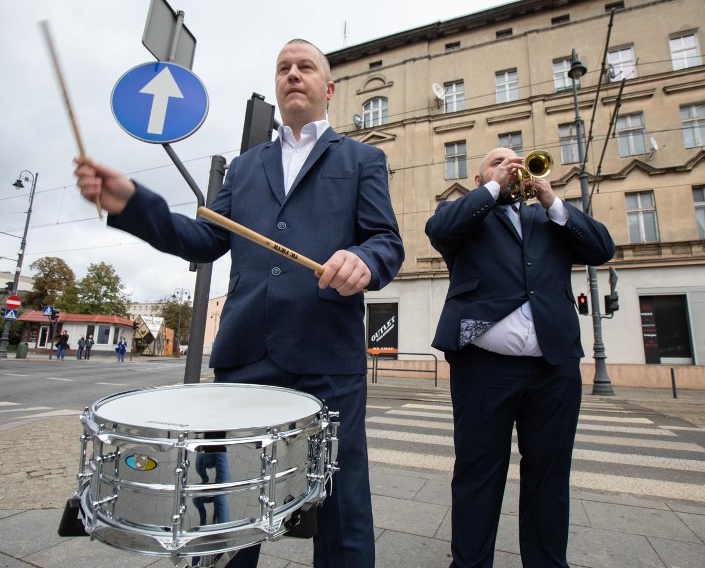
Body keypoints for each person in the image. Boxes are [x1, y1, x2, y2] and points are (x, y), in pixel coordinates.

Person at [74, 38, 404, 568]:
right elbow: (205, 240)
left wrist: (365, 261)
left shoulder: (363, 158)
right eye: (283, 68)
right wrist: (134, 204)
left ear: (329, 88)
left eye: (305, 67)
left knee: (341, 502)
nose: (293, 74)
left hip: (327, 358)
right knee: (224, 507)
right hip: (246, 355)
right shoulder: (247, 166)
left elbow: (387, 241)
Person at [425, 147, 615, 568]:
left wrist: (551, 199)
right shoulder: (466, 216)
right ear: (478, 180)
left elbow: (603, 248)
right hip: (483, 368)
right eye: (497, 162)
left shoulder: (549, 217)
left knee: (549, 477)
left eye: (516, 161)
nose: (511, 167)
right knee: (478, 475)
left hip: (554, 368)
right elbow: (439, 227)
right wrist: (495, 187)